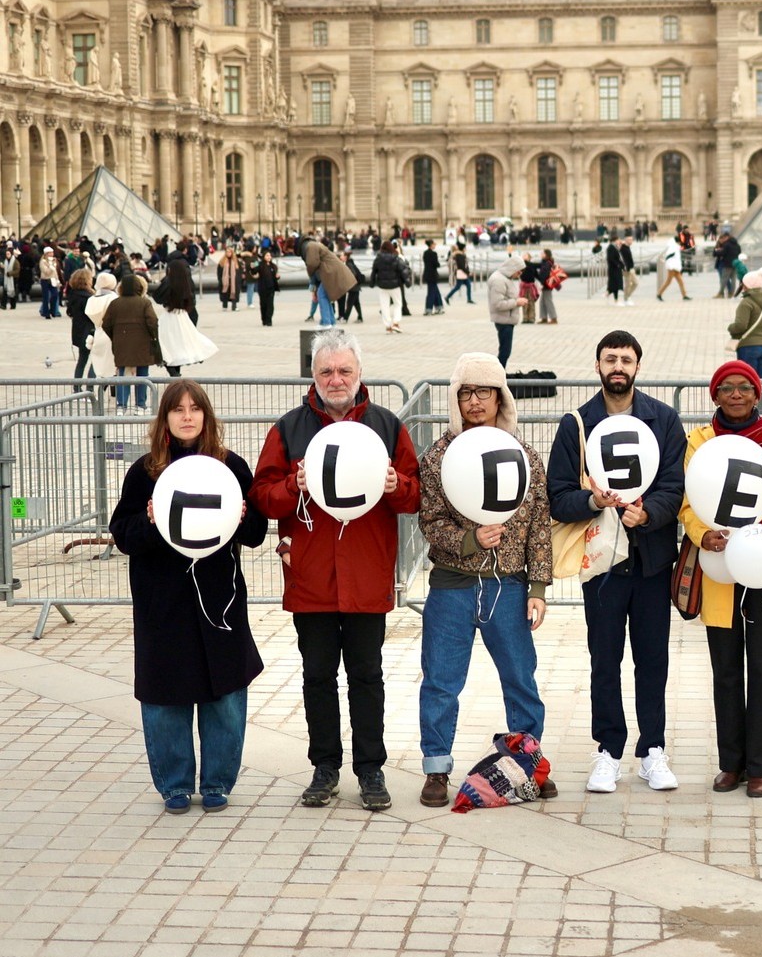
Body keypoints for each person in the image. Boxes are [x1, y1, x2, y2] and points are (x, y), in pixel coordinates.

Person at [251, 328, 422, 811]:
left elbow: (415, 495)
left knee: (367, 676)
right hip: (312, 576)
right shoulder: (288, 428)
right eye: (327, 371)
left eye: (345, 370)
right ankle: (324, 768)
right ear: (313, 375)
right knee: (318, 675)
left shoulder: (387, 425)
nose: (336, 379)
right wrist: (293, 483)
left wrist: (394, 484)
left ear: (360, 373)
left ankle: (371, 770)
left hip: (366, 574)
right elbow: (262, 496)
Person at [109, 379, 270, 813]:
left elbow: (257, 533)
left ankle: (217, 781)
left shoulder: (230, 466)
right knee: (166, 696)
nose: (186, 416)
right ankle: (175, 784)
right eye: (177, 409)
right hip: (163, 601)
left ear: (206, 415)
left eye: (194, 409)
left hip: (220, 600)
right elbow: (122, 535)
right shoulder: (144, 471)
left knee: (225, 694)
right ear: (164, 418)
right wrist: (150, 521)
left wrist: (241, 517)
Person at [548, 331, 688, 794]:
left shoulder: (663, 420)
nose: (618, 367)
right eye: (610, 359)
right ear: (597, 366)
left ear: (637, 367)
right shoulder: (577, 425)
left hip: (651, 562)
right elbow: (557, 496)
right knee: (604, 661)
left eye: (626, 359)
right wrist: (591, 499)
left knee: (653, 661)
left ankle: (652, 751)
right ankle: (607, 751)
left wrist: (649, 513)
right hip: (602, 563)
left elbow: (674, 486)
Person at [414, 354, 555, 807]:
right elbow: (430, 522)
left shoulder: (524, 456)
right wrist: (469, 539)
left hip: (508, 586)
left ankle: (527, 764)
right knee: (440, 680)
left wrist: (538, 588)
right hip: (453, 585)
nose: (475, 402)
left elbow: (539, 525)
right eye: (466, 394)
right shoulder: (438, 456)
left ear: (500, 397)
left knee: (519, 678)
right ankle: (437, 768)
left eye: (485, 392)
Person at [681, 360, 762, 798]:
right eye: (726, 388)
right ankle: (730, 764)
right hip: (719, 573)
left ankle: (760, 766)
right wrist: (704, 535)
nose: (736, 395)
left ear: (757, 395)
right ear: (715, 396)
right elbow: (686, 505)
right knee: (724, 673)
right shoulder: (699, 443)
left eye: (744, 388)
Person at [101, 272, 160, 411]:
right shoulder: (144, 302)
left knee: (123, 375)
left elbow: (106, 324)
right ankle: (140, 405)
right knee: (143, 375)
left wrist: (115, 336)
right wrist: (153, 336)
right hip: (142, 344)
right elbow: (153, 321)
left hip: (122, 345)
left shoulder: (115, 303)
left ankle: (122, 405)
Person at [728, 267, 762, 378]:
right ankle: (761, 397)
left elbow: (741, 326)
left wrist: (730, 328)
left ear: (747, 285)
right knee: (760, 385)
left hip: (748, 347)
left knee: (747, 382)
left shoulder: (746, 303)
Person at [487, 258, 527, 369]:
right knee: (504, 352)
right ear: (513, 268)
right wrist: (516, 302)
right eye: (519, 271)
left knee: (505, 351)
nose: (520, 274)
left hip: (506, 319)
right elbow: (497, 304)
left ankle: (499, 374)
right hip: (504, 320)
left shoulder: (504, 278)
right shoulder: (499, 280)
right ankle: (498, 375)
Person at [66, 266, 96, 380]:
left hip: (78, 332)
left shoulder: (73, 295)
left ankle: (77, 387)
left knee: (82, 361)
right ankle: (90, 386)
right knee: (96, 360)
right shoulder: (88, 297)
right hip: (90, 331)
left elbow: (70, 312)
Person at [370, 239, 405, 333]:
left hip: (382, 286)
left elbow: (374, 271)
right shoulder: (395, 257)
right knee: (398, 304)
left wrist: (372, 282)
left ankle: (388, 326)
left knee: (384, 306)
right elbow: (402, 270)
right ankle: (396, 323)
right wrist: (407, 281)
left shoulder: (378, 258)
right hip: (395, 285)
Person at [655, 235, 690, 301]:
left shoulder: (675, 247)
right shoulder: (674, 247)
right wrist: (666, 260)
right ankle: (659, 294)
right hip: (672, 267)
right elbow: (669, 255)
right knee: (668, 282)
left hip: (675, 267)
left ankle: (684, 295)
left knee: (680, 282)